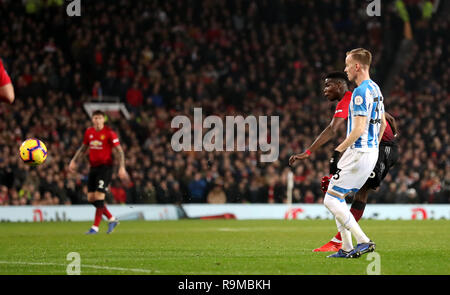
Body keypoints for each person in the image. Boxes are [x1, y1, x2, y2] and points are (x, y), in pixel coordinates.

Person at [289, 71, 399, 252]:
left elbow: (333, 130)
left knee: (355, 193)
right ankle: (345, 244)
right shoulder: (360, 97)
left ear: (339, 86)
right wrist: (393, 135)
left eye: (328, 85)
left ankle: (349, 241)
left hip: (380, 148)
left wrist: (308, 152)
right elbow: (390, 119)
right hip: (375, 147)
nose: (324, 90)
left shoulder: (349, 99)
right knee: (338, 191)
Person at [324, 48, 385, 258]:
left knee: (331, 200)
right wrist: (373, 147)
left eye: (347, 64)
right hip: (370, 151)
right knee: (336, 196)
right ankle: (347, 248)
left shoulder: (359, 92)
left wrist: (336, 152)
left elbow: (358, 129)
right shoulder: (376, 89)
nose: (345, 69)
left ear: (357, 66)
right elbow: (383, 123)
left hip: (358, 152)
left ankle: (364, 241)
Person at [69, 110, 130, 234]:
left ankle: (95, 227)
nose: (97, 120)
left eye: (99, 118)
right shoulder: (89, 132)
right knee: (91, 198)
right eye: (95, 118)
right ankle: (112, 219)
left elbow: (119, 151)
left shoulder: (109, 133)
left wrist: (122, 167)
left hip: (106, 168)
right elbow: (83, 148)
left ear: (104, 119)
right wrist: (74, 160)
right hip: (93, 168)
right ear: (92, 120)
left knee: (99, 196)